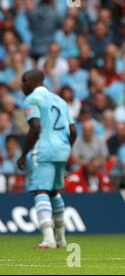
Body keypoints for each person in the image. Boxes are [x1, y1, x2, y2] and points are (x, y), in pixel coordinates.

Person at [16, 69, 77, 248]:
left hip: (42, 150)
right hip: (62, 149)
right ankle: (61, 238)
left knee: (40, 190)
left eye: (23, 81)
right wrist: (64, 148)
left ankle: (49, 239)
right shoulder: (60, 100)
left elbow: (35, 127)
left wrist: (23, 154)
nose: (21, 86)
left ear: (29, 81)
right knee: (54, 191)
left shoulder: (32, 99)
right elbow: (73, 131)